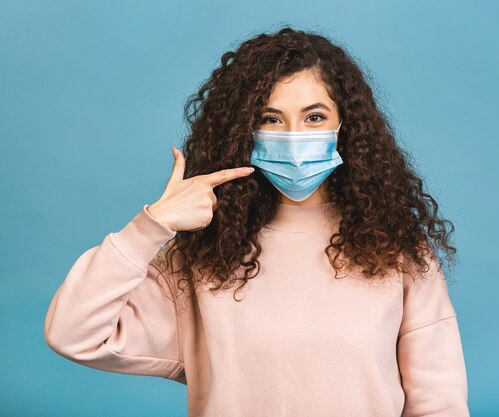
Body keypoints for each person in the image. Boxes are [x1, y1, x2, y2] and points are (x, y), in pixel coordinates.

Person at [44, 26, 470, 417]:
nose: (294, 135)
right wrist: (151, 227)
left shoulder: (397, 252)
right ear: (245, 130)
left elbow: (440, 402)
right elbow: (73, 334)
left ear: (346, 125)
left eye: (314, 117)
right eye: (271, 119)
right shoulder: (203, 257)